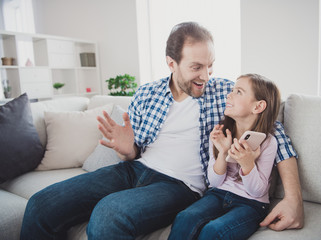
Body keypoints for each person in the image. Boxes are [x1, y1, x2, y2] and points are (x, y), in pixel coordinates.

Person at [20, 22, 303, 240]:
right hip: (134, 169)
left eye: (210, 65)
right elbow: (134, 151)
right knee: (41, 204)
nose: (206, 75)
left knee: (109, 215)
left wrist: (293, 199)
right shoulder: (147, 93)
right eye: (196, 67)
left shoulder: (223, 93)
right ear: (171, 63)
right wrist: (127, 149)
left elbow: (272, 131)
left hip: (179, 185)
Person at [169, 74, 281, 240]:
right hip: (218, 194)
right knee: (184, 218)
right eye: (232, 90)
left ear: (258, 106)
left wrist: (248, 164)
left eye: (239, 92)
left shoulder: (268, 142)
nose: (229, 95)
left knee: (214, 231)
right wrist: (222, 152)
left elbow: (257, 191)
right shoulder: (220, 134)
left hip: (251, 203)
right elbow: (214, 182)